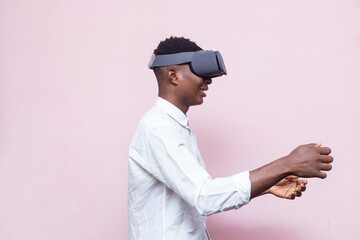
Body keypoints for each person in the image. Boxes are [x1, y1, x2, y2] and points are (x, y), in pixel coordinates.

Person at [128, 36, 333, 240]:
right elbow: (204, 197)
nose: (208, 80)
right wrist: (286, 164)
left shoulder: (175, 127)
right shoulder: (158, 128)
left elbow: (193, 197)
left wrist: (266, 184)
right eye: (200, 70)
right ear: (173, 75)